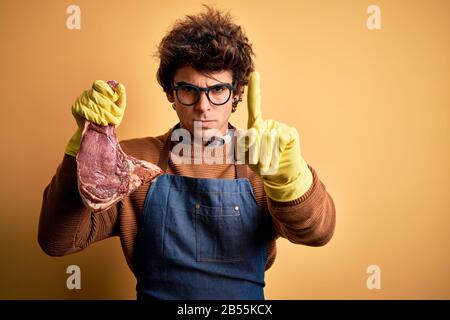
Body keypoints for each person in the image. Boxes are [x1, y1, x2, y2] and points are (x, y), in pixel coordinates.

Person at [38, 6, 336, 300]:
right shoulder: (132, 163)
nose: (203, 106)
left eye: (218, 90)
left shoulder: (265, 159)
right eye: (189, 90)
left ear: (236, 94)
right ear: (170, 92)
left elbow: (318, 234)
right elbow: (58, 242)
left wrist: (290, 180)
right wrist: (86, 146)